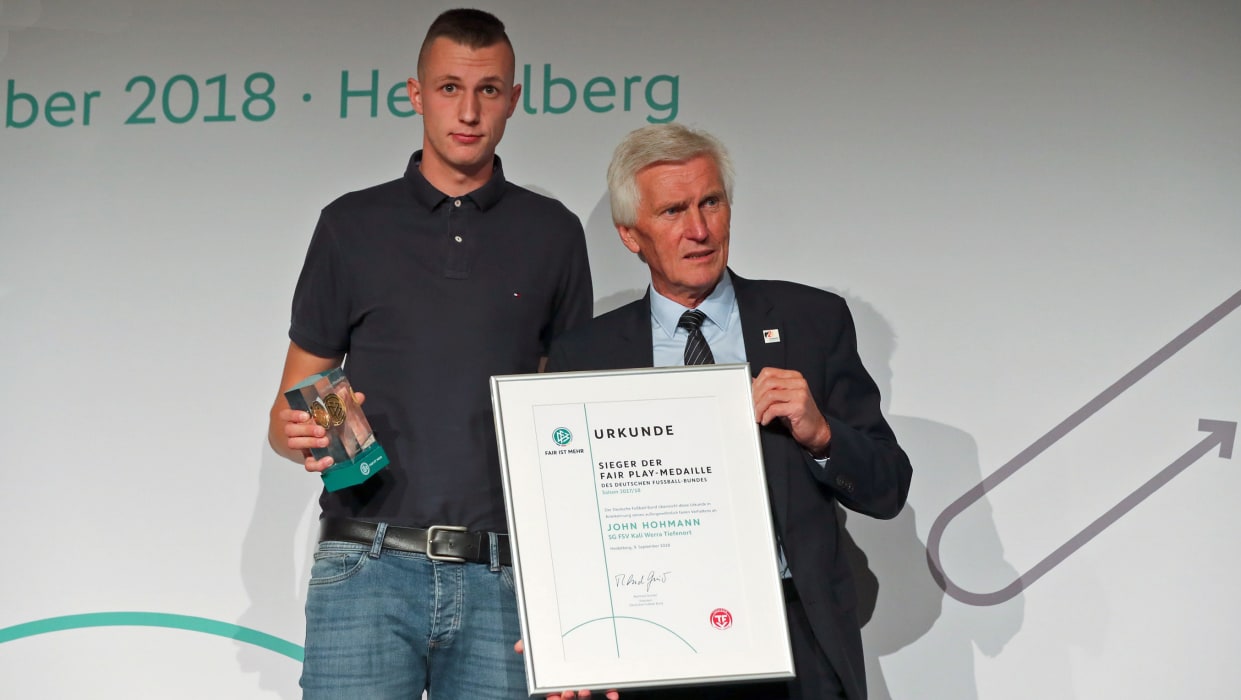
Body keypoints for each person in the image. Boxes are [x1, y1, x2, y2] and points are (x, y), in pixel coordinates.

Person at [267, 9, 592, 699]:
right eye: (449, 88)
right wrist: (300, 431)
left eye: (488, 90)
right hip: (367, 565)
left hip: (506, 575)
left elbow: (567, 423)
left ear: (513, 98)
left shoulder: (554, 233)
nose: (468, 111)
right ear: (415, 94)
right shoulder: (350, 225)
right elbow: (292, 404)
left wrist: (574, 603)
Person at [544, 123, 912, 700]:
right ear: (630, 235)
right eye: (672, 211)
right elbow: (567, 525)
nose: (699, 229)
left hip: (796, 642)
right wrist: (571, 646)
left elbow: (888, 489)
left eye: (710, 202)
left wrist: (822, 436)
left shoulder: (811, 321)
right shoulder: (585, 356)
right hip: (654, 646)